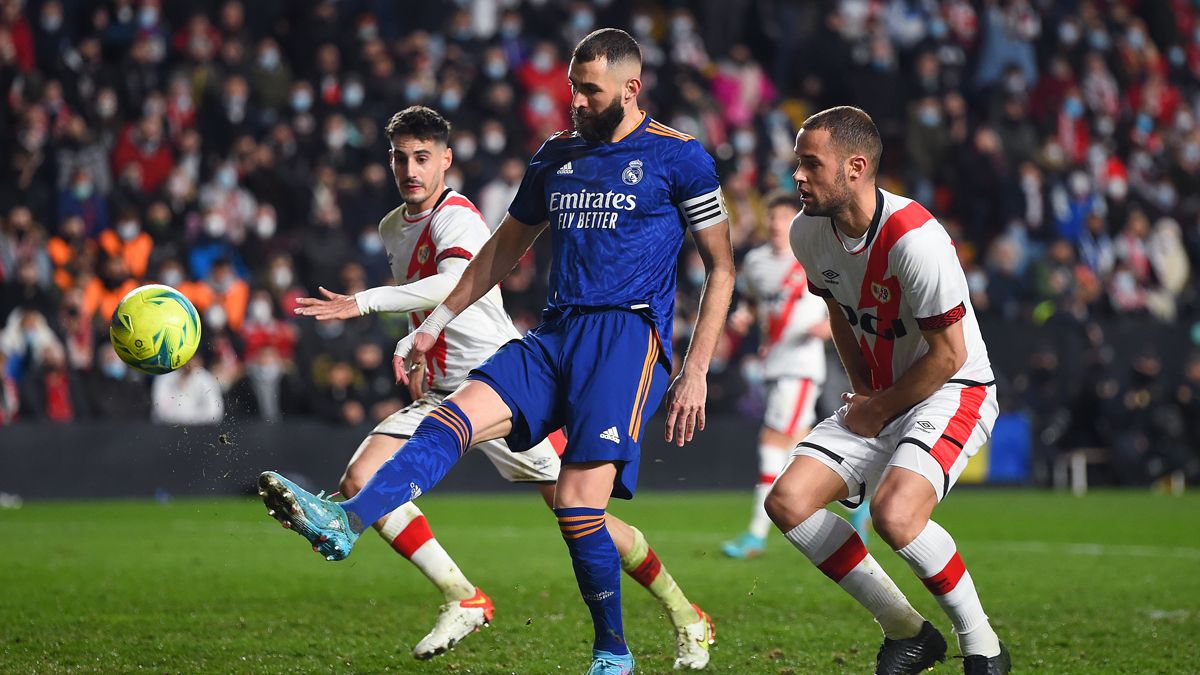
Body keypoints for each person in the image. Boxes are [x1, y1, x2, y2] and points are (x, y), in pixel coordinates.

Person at [277, 103, 721, 669]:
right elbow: (428, 299)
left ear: (446, 161)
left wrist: (364, 303)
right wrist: (419, 344)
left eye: (422, 158)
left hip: (504, 381)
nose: (411, 170)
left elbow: (455, 280)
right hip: (447, 388)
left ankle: (685, 612)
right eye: (400, 158)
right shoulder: (392, 226)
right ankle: (460, 595)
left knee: (583, 517)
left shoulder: (457, 216)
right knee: (362, 476)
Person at [765, 106, 1009, 675]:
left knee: (895, 515)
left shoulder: (916, 239)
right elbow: (840, 314)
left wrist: (877, 410)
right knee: (788, 502)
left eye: (810, 164)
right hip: (883, 393)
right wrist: (865, 397)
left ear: (855, 167)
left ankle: (984, 648)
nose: (796, 176)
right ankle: (908, 633)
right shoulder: (808, 232)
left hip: (954, 388)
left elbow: (947, 356)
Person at [720, 191, 831, 560]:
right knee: (804, 449)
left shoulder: (814, 255)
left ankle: (756, 533)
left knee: (771, 440)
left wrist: (830, 327)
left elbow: (844, 300)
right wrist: (745, 316)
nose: (777, 224)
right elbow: (754, 300)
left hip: (800, 366)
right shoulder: (756, 262)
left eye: (784, 217)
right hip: (773, 364)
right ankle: (856, 502)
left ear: (796, 222)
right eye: (772, 217)